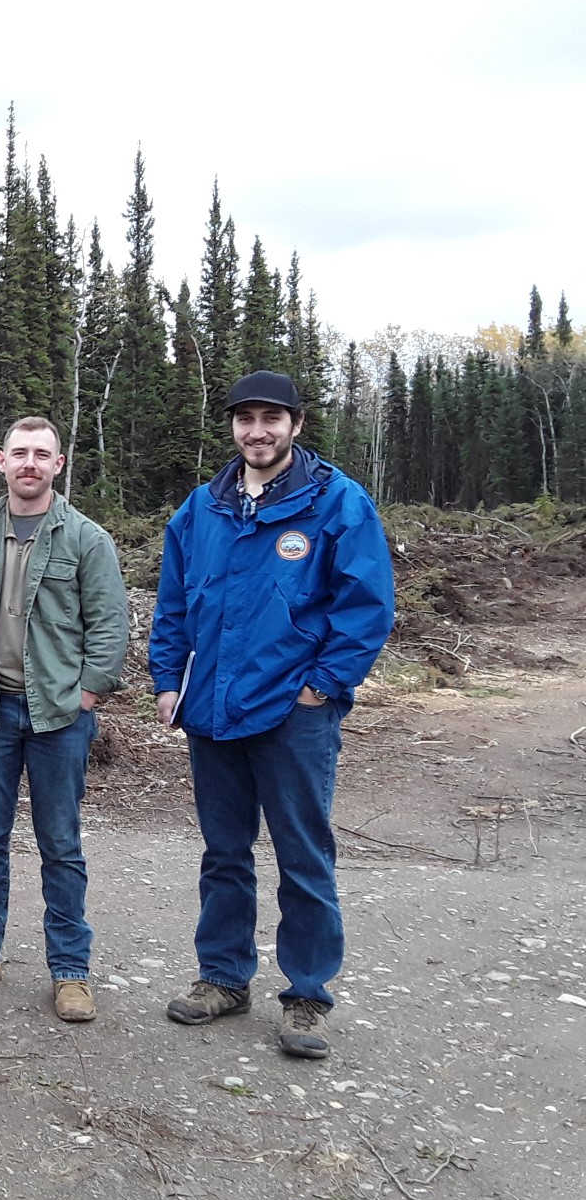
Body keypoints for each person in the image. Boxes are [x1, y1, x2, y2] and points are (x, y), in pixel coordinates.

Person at [150, 371, 395, 1060]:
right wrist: (168, 680)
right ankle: (224, 978)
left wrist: (325, 686)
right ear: (232, 426)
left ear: (295, 423)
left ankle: (308, 996)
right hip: (212, 710)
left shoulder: (337, 504)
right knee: (224, 853)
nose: (257, 432)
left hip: (294, 712)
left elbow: (366, 606)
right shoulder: (202, 509)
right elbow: (173, 605)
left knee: (302, 854)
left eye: (270, 419)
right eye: (245, 419)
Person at [0, 417, 128, 1023]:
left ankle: (70, 969)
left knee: (61, 845)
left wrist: (87, 697)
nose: (30, 464)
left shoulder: (86, 539)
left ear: (58, 464)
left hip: (59, 716)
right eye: (20, 453)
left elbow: (111, 625)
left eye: (42, 455)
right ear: (1, 461)